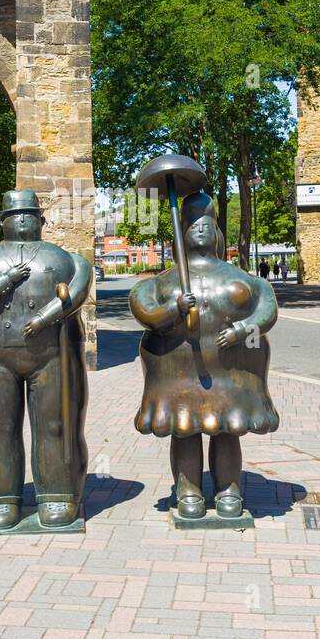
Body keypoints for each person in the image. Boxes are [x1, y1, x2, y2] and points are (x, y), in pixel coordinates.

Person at [130, 192, 279, 520]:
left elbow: (267, 305)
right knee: (185, 428)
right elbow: (143, 309)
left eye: (206, 224)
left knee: (227, 428)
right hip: (179, 372)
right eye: (192, 225)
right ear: (180, 234)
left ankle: (228, 488)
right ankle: (189, 490)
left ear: (218, 233)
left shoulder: (240, 277)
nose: (199, 230)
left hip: (229, 372)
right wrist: (173, 308)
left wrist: (242, 330)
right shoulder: (163, 282)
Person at [0, 190, 91, 530]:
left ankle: (58, 494)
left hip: (53, 354)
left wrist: (45, 317)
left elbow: (75, 293)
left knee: (58, 427)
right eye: (17, 214)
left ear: (42, 221)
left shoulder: (69, 259)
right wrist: (4, 280)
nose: (24, 219)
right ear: (2, 221)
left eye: (31, 214)